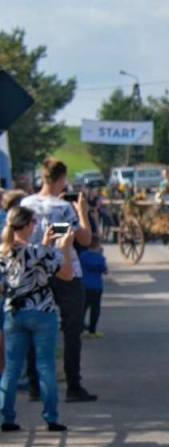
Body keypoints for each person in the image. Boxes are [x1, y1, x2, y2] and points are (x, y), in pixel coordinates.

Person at [21, 158, 95, 403]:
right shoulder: (62, 208)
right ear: (61, 179)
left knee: (33, 325)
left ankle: (34, 385)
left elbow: (35, 234)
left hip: (34, 269)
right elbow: (83, 238)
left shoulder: (26, 204)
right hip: (64, 268)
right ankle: (73, 384)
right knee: (72, 329)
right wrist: (82, 213)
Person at [1, 203, 75, 432]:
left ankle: (6, 417)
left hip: (14, 312)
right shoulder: (37, 251)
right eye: (33, 222)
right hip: (42, 312)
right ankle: (51, 417)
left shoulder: (3, 252)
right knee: (45, 366)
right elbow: (67, 274)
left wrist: (45, 243)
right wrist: (64, 247)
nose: (35, 226)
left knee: (11, 368)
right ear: (25, 226)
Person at [79, 239, 107, 338]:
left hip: (84, 285)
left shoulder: (83, 255)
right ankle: (92, 330)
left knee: (83, 308)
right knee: (95, 309)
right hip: (96, 286)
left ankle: (80, 327)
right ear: (98, 245)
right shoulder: (100, 258)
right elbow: (105, 271)